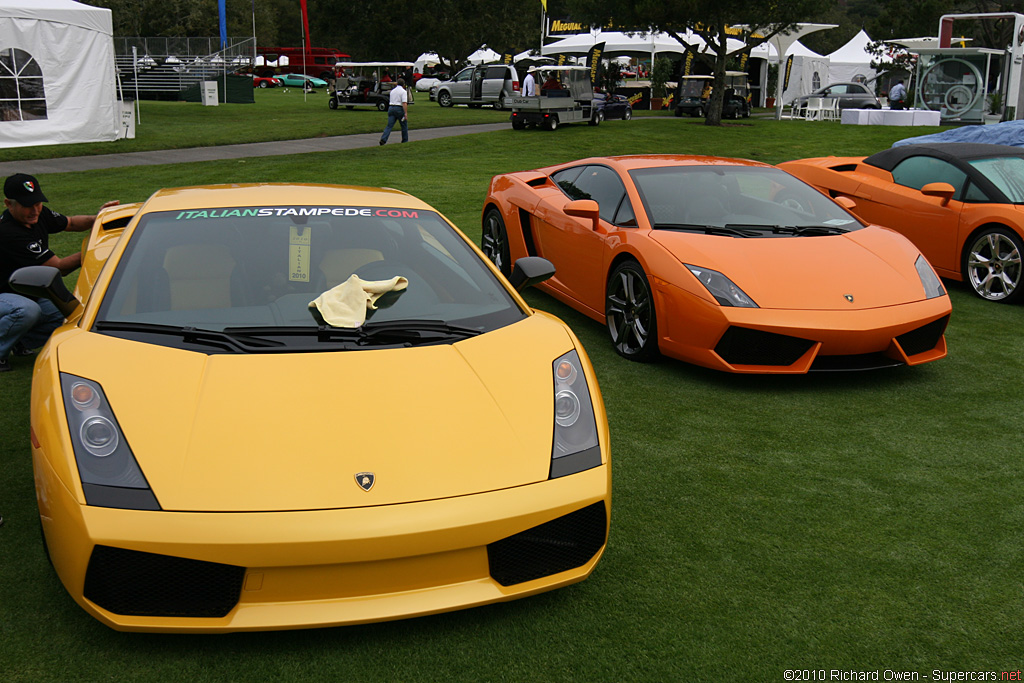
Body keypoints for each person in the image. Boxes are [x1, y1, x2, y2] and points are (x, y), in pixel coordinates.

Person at [0, 173, 118, 373]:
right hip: (6, 296)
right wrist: (100, 250)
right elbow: (59, 267)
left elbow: (70, 223)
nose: (35, 209)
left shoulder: (38, 213)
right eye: (28, 205)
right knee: (27, 311)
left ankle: (18, 340)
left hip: (24, 292)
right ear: (9, 204)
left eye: (37, 202)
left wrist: (101, 218)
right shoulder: (9, 233)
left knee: (71, 317)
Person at [379, 77, 409, 146]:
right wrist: (405, 113)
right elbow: (404, 103)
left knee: (389, 125)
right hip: (399, 108)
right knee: (404, 125)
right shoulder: (403, 92)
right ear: (403, 84)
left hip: (391, 107)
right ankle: (405, 140)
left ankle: (383, 139)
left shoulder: (392, 91)